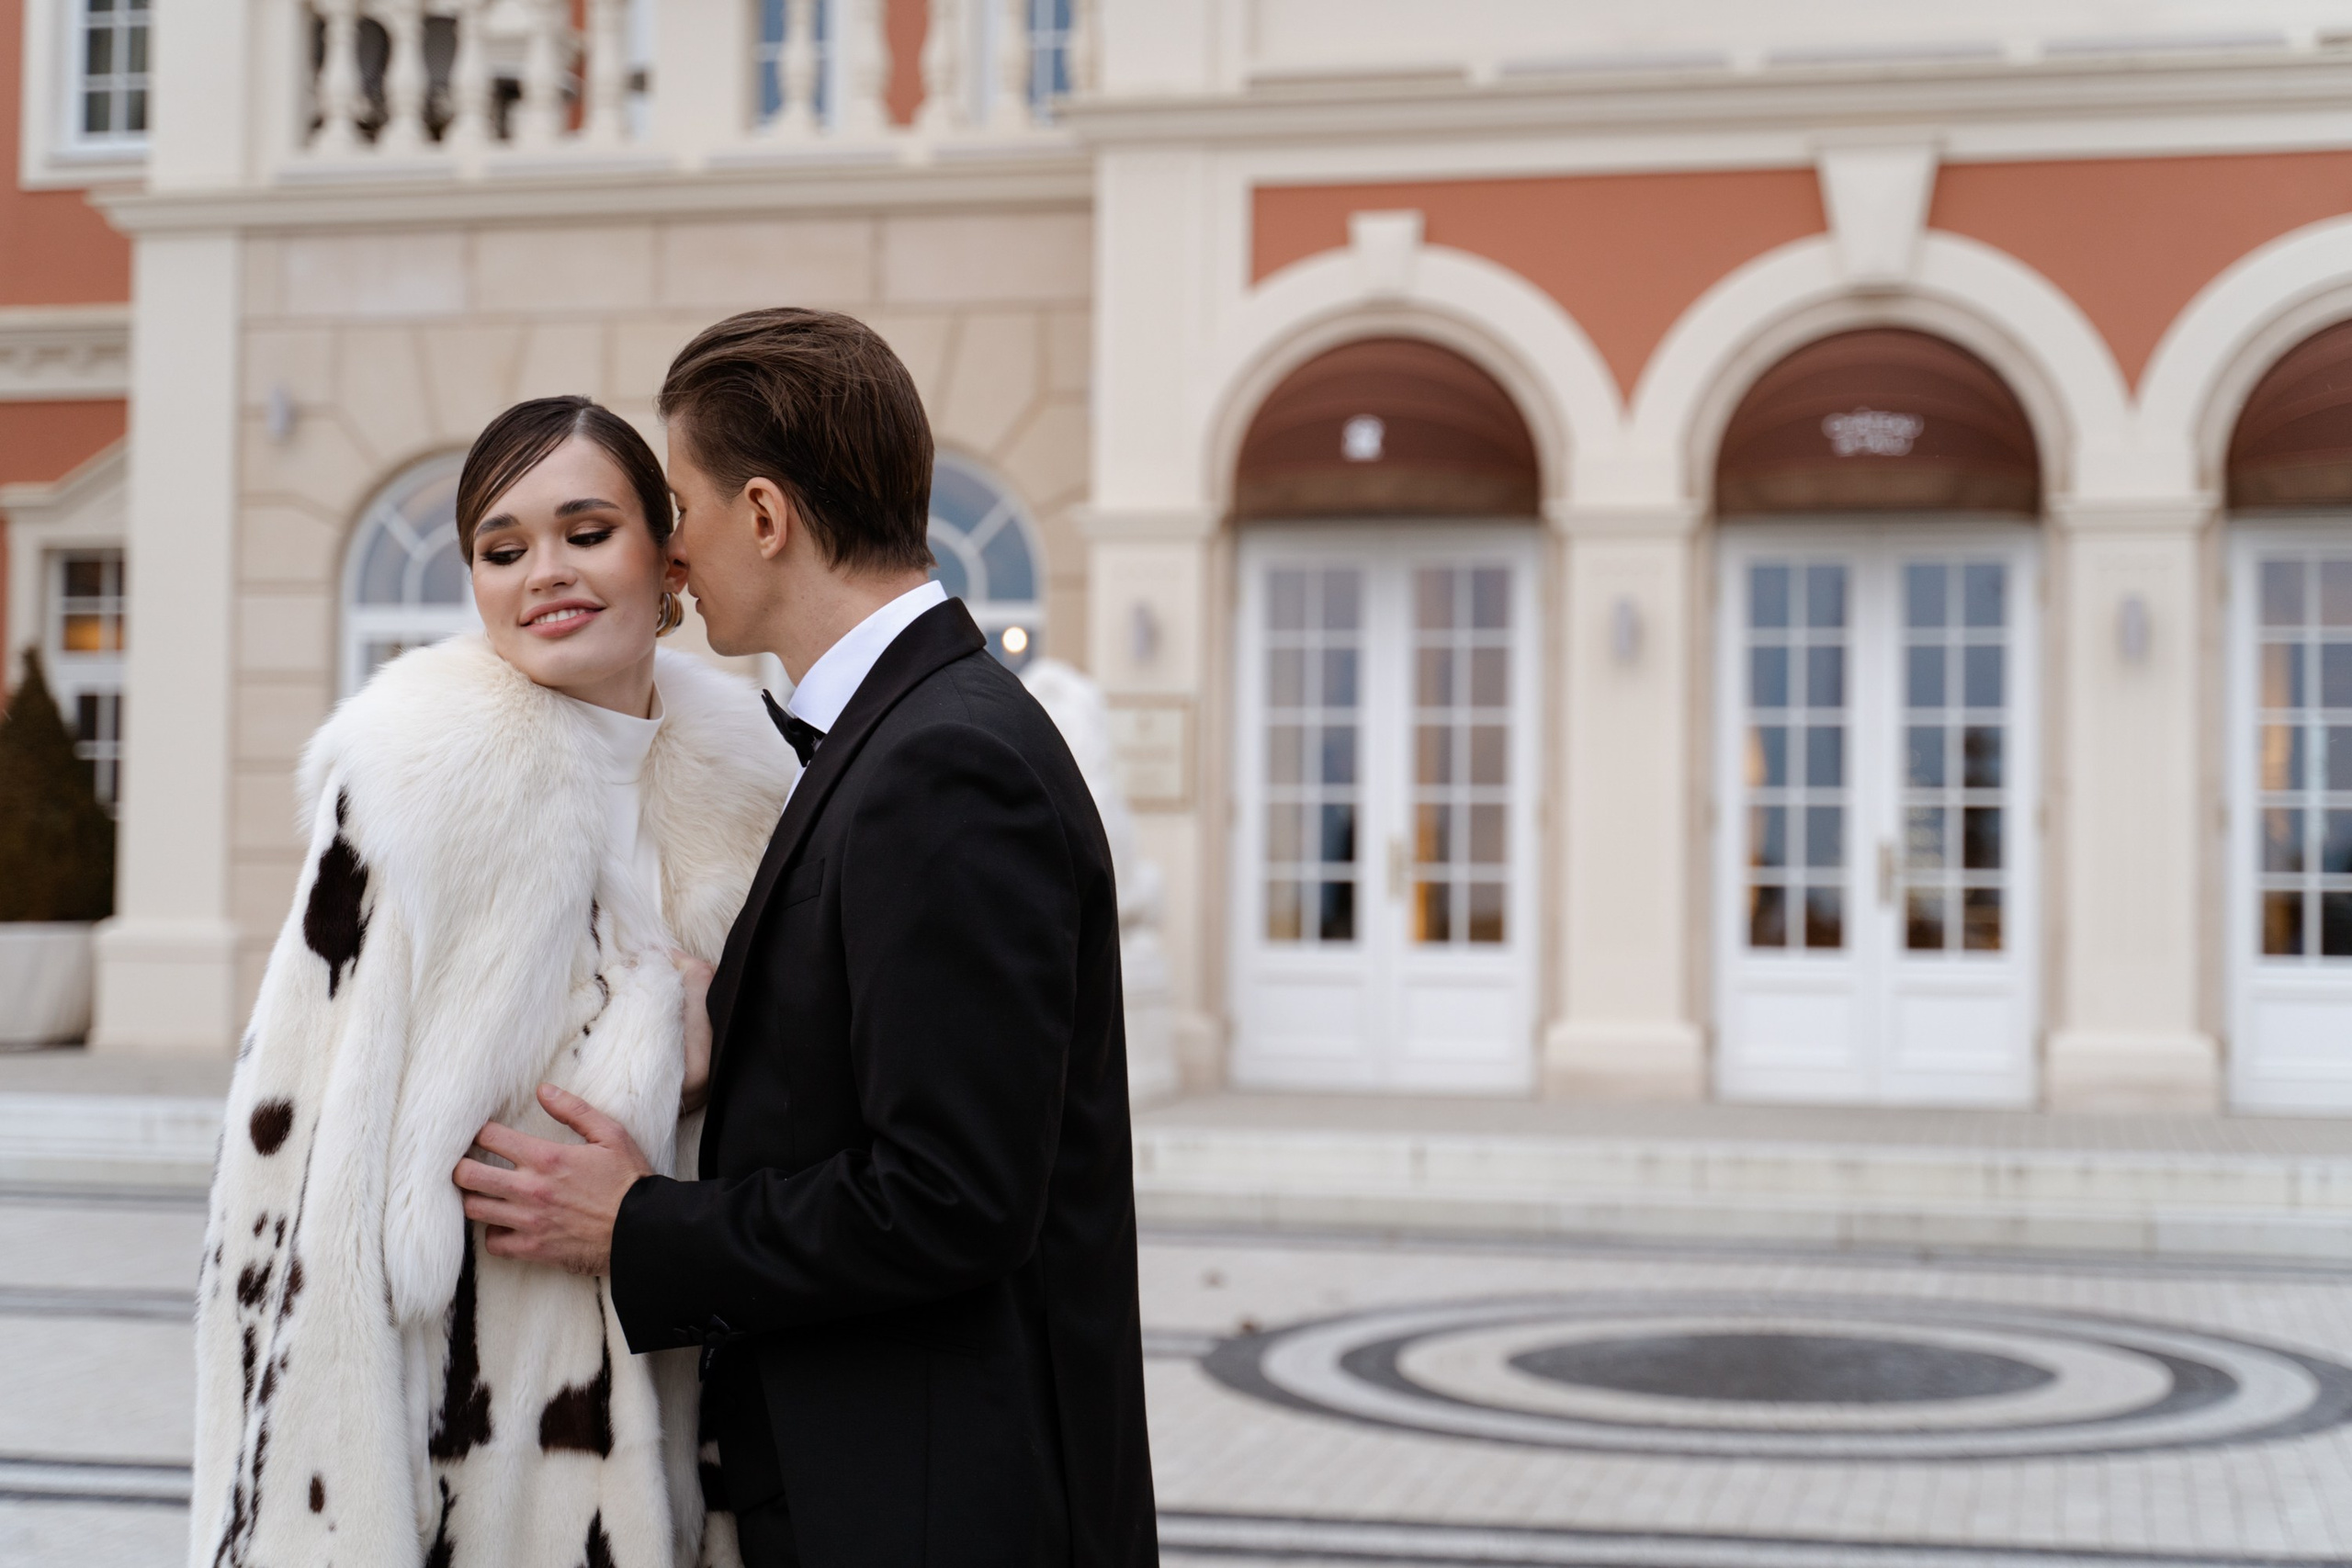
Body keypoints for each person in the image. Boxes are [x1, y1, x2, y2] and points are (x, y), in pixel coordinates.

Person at [449, 308, 1159, 1567]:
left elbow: (953, 1196)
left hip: (936, 1511)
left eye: (679, 507)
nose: (670, 550)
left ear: (765, 517)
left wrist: (643, 1222)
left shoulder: (943, 762)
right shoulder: (909, 731)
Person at [190, 396, 790, 1568]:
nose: (545, 575)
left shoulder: (767, 797)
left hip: (715, 1449)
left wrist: (724, 1043)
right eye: (503, 550)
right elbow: (302, 1194)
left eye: (586, 531)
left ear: (666, 554)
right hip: (473, 1469)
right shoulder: (416, 795)